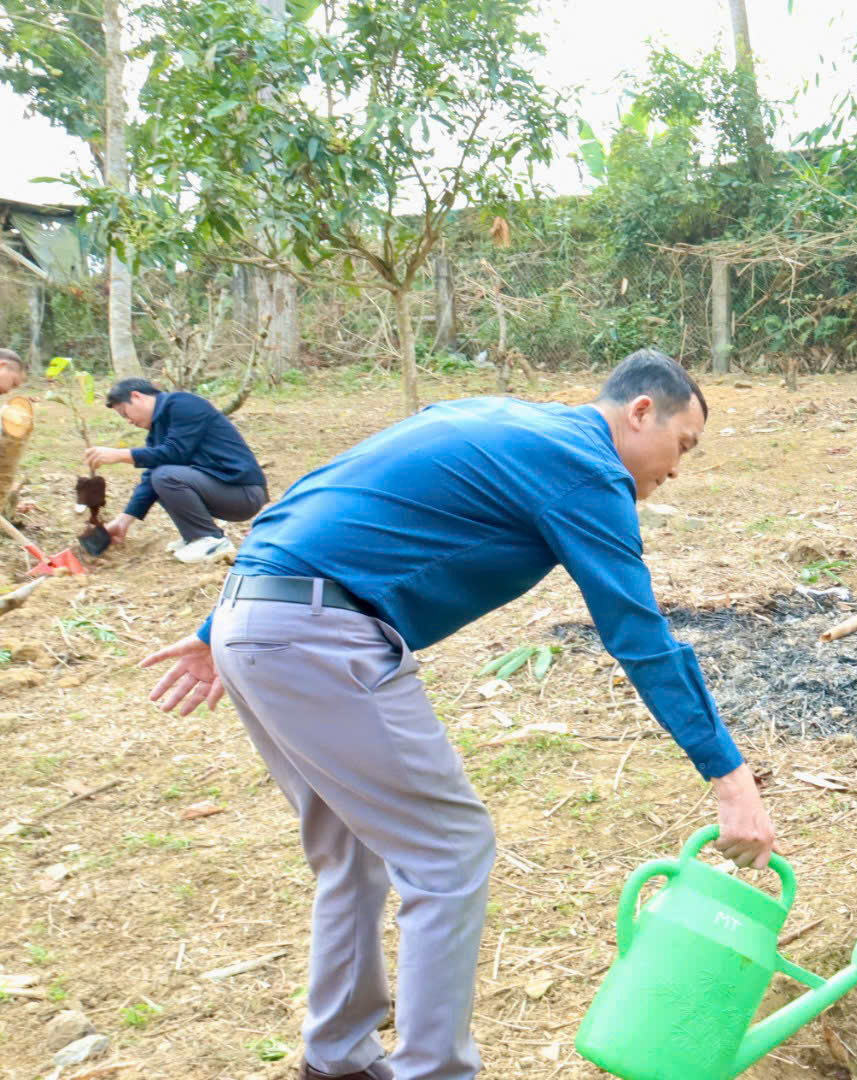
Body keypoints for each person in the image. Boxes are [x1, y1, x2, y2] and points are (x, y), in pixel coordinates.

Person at [138, 351, 777, 1080]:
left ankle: (338, 1060)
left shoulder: (491, 415)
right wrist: (729, 775)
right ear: (640, 413)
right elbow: (638, 634)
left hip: (259, 617)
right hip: (320, 636)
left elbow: (326, 488)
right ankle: (433, 1071)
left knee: (353, 848)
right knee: (449, 850)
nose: (675, 470)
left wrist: (224, 623)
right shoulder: (588, 471)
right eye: (681, 446)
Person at [85, 378, 269, 563]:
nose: (128, 421)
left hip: (243, 492)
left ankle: (210, 540)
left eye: (125, 413)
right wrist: (123, 521)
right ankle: (195, 538)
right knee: (158, 477)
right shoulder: (159, 428)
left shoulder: (183, 404)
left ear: (137, 396)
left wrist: (121, 455)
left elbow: (175, 453)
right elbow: (150, 478)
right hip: (223, 490)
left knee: (165, 476)